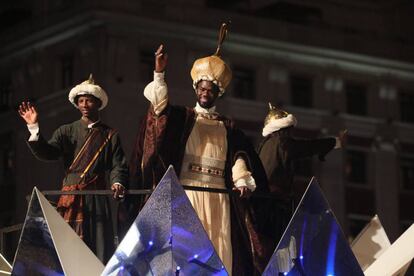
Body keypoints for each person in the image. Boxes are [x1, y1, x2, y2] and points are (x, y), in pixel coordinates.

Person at [130, 24, 270, 275]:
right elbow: (158, 112)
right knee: (186, 252)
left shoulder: (228, 126)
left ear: (218, 93)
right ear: (196, 89)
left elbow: (239, 154)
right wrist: (159, 74)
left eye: (211, 90)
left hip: (219, 198)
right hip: (188, 193)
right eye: (202, 89)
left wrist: (240, 176)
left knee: (220, 247)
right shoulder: (183, 118)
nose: (206, 93)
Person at [18, 75, 128, 262]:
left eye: (89, 100)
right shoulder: (66, 131)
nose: (84, 104)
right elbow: (48, 152)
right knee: (69, 247)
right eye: (81, 101)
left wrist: (117, 182)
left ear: (98, 103)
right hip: (71, 196)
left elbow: (118, 164)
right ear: (77, 104)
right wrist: (33, 127)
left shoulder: (110, 134)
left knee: (98, 244)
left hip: (96, 197)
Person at [257, 103, 346, 245]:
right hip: (276, 203)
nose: (291, 134)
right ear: (283, 129)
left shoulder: (265, 145)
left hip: (263, 202)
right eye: (289, 130)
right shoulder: (282, 143)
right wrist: (334, 142)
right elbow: (307, 147)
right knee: (280, 244)